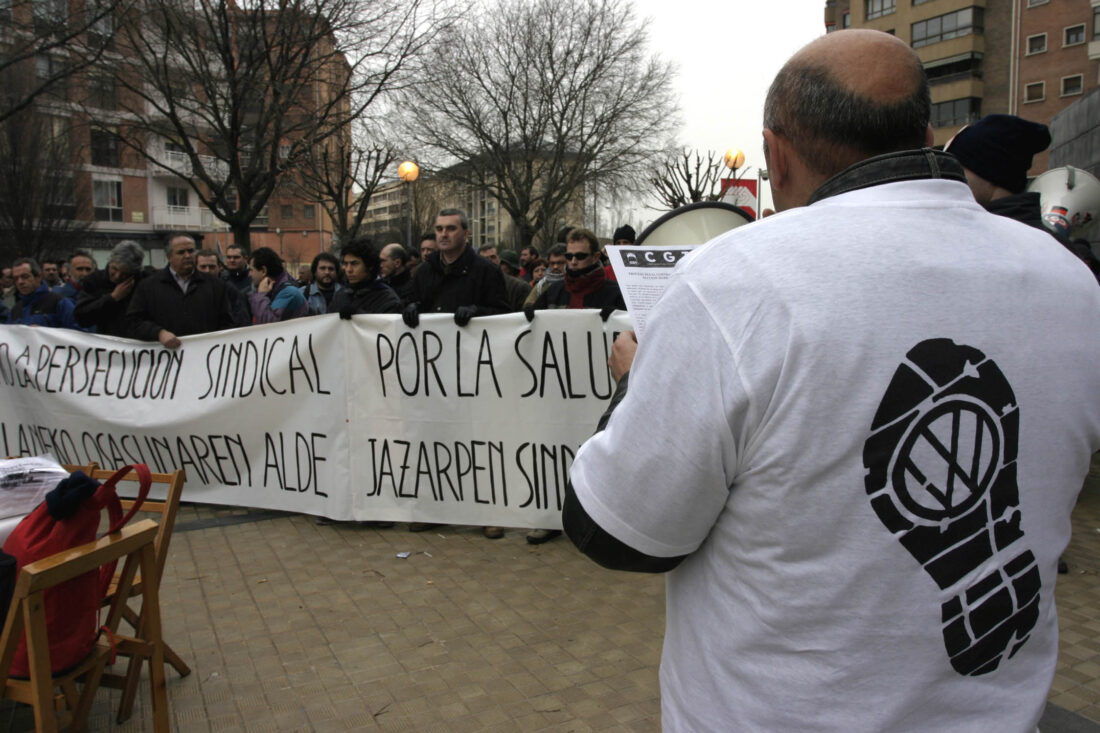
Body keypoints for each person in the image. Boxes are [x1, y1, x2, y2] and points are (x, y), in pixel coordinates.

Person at [564, 29, 1100, 732]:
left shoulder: (738, 279)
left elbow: (621, 531)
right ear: (927, 132)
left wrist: (640, 380)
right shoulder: (1072, 281)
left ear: (775, 153)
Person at [403, 209, 510, 540]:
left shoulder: (486, 272)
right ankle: (435, 508)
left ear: (466, 233)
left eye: (451, 229)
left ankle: (490, 512)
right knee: (436, 440)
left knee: (479, 441)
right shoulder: (424, 271)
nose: (443, 235)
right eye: (438, 229)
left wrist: (477, 313)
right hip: (434, 373)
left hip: (474, 375)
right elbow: (408, 303)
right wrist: (407, 309)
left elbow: (506, 315)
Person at [126, 233, 236, 348]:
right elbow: (134, 322)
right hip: (166, 357)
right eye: (181, 252)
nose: (187, 256)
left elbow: (227, 323)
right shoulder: (148, 286)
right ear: (169, 256)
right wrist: (159, 333)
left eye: (191, 251)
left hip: (205, 356)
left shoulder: (215, 285)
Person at [530, 228, 624, 317]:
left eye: (580, 256)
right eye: (569, 256)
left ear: (595, 257)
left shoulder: (615, 293)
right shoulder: (553, 292)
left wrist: (616, 317)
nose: (573, 261)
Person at [74, 240, 149, 336]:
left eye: (125, 274)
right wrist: (112, 298)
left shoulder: (146, 282)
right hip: (108, 342)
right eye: (114, 269)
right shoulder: (94, 280)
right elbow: (82, 317)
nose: (117, 276)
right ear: (110, 261)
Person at [330, 237, 403, 318]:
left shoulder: (388, 299)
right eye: (346, 264)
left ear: (370, 266)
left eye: (354, 264)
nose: (348, 270)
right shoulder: (340, 295)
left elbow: (387, 327)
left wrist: (359, 316)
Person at [7, 258, 83, 329]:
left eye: (25, 277)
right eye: (16, 279)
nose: (20, 282)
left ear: (39, 277)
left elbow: (78, 334)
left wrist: (45, 333)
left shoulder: (59, 303)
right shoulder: (16, 310)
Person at [247, 246, 309, 323]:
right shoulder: (274, 290)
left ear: (263, 271)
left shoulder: (289, 293)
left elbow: (268, 324)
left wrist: (260, 296)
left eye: (251, 270)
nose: (249, 274)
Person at [196, 249, 250, 327]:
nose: (207, 271)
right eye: (203, 267)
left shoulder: (229, 290)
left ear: (219, 267)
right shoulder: (188, 290)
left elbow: (242, 320)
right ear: (196, 268)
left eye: (212, 267)